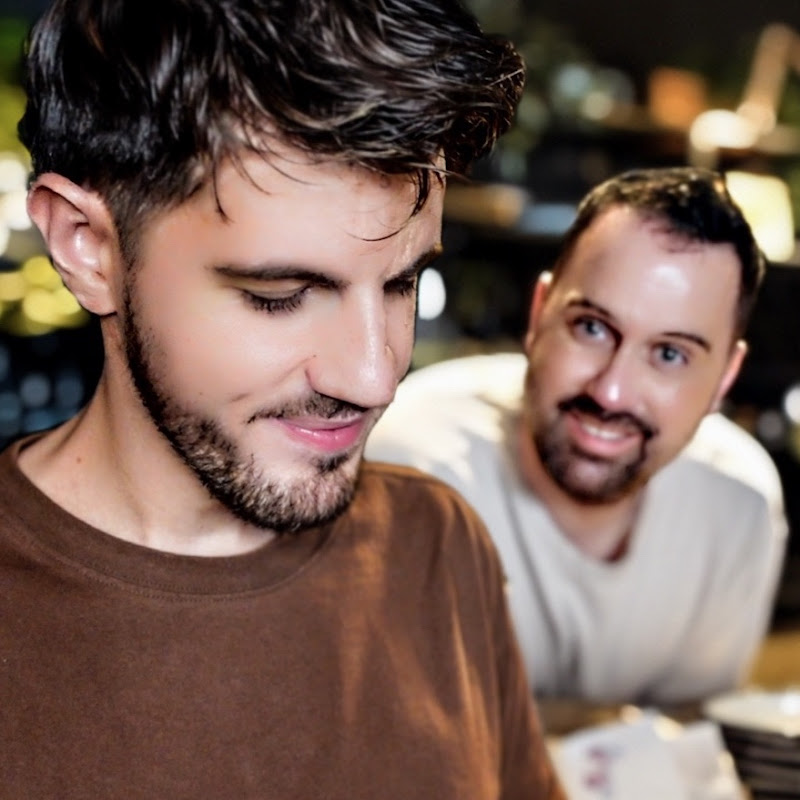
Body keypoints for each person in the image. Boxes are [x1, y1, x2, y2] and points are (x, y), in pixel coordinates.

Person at [1, 0, 566, 797]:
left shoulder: (438, 550)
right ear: (87, 248)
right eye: (282, 293)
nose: (374, 378)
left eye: (405, 282)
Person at [367, 167, 788, 713]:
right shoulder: (410, 465)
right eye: (592, 327)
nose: (611, 392)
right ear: (540, 315)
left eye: (669, 355)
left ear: (724, 380)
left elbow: (685, 756)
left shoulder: (739, 504)